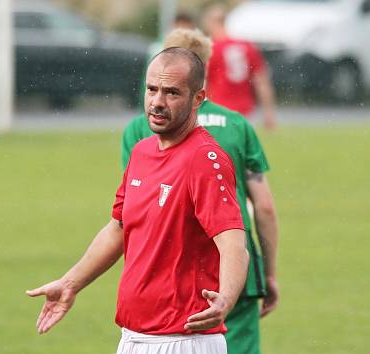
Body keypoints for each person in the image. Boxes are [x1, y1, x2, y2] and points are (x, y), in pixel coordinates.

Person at [28, 47, 249, 354]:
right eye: (152, 90)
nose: (157, 102)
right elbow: (118, 228)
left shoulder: (204, 159)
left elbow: (234, 244)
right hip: (133, 337)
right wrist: (70, 283)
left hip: (183, 340)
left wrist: (225, 298)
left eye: (172, 93)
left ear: (198, 98)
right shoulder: (142, 152)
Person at [122, 28, 280, 354]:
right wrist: (270, 272)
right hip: (237, 272)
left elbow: (132, 212)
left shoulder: (141, 128)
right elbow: (263, 206)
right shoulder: (236, 125)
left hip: (167, 282)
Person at [202, 3, 277, 130]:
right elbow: (261, 81)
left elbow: (201, 82)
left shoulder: (211, 48)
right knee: (241, 149)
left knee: (217, 149)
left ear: (210, 23)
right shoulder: (247, 46)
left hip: (217, 110)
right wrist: (268, 113)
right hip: (245, 110)